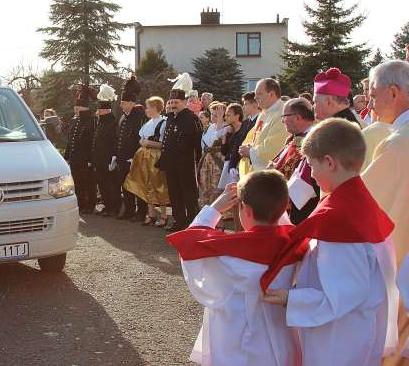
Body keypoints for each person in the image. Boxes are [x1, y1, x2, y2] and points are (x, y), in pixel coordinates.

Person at [261, 118, 396, 366]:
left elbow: (346, 294)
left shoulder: (340, 219)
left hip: (339, 340)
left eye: (312, 165)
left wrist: (292, 299)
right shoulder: (359, 204)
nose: (310, 174)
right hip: (355, 331)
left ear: (329, 162)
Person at [167, 171, 306, 366]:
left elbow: (191, 239)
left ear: (246, 211)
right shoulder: (297, 242)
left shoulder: (229, 252)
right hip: (283, 340)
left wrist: (215, 207)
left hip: (239, 345)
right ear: (285, 207)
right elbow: (284, 226)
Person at [361, 60, 409, 365]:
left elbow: (362, 206)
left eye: (373, 92)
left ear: (393, 93)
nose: (369, 101)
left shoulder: (398, 144)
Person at [287, 68, 360, 223]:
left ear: (328, 101)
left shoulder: (338, 128)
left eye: (315, 101)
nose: (312, 107)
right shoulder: (343, 122)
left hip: (323, 205)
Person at [157, 73, 202, 233]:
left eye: (176, 102)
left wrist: (197, 163)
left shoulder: (190, 118)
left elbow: (196, 143)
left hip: (185, 164)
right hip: (171, 164)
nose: (173, 105)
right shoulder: (171, 118)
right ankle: (179, 220)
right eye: (171, 102)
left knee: (188, 194)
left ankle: (192, 222)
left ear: (184, 102)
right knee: (175, 195)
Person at [123, 96, 170, 227]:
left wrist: (148, 142)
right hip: (144, 156)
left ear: (155, 108)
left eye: (148, 107)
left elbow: (163, 144)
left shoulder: (164, 122)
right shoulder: (147, 123)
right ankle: (151, 215)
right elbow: (141, 139)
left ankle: (164, 215)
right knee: (147, 183)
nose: (146, 110)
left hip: (156, 156)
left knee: (159, 184)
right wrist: (142, 142)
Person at [267, 98, 316, 225]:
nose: (283, 120)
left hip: (301, 210)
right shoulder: (294, 138)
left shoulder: (314, 140)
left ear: (297, 118)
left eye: (284, 116)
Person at [114, 75, 148, 222]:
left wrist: (134, 156)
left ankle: (141, 212)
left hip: (135, 158)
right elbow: (119, 136)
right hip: (122, 158)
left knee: (138, 187)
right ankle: (128, 210)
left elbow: (141, 139)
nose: (121, 105)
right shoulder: (123, 117)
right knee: (125, 186)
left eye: (123, 103)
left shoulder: (140, 117)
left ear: (131, 102)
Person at [238, 78, 288, 176]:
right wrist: (246, 147)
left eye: (259, 94)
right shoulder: (264, 113)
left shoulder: (282, 113)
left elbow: (274, 148)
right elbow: (253, 137)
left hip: (269, 175)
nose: (255, 97)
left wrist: (250, 152)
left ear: (271, 94)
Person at [64, 85, 96, 215]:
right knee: (77, 182)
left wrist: (90, 158)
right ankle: (80, 203)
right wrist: (67, 157)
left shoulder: (92, 120)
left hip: (85, 158)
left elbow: (93, 142)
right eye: (75, 106)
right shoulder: (74, 121)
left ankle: (90, 204)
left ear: (85, 107)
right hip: (74, 158)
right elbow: (70, 140)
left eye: (79, 106)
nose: (76, 108)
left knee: (88, 182)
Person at [90, 85, 119, 217]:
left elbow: (115, 141)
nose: (98, 111)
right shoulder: (100, 122)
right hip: (99, 159)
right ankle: (107, 206)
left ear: (106, 110)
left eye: (100, 109)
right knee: (102, 184)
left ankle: (113, 208)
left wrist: (113, 156)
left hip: (108, 159)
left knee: (110, 185)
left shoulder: (113, 122)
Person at [197, 103, 226, 207]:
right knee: (205, 186)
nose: (213, 117)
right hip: (206, 159)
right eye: (212, 114)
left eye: (216, 114)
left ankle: (218, 216)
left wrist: (220, 118)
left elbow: (218, 134)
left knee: (216, 187)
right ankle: (205, 211)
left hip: (217, 160)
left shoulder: (225, 126)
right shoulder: (209, 127)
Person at [218, 103, 245, 190]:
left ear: (237, 116)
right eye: (225, 115)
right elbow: (224, 151)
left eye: (228, 115)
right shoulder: (229, 130)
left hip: (239, 165)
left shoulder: (244, 129)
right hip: (229, 165)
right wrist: (225, 136)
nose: (225, 118)